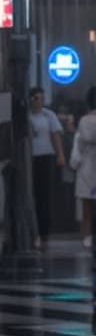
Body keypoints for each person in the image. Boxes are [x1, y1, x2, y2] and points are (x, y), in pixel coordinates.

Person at [26, 86, 64, 244]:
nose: (38, 102)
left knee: (44, 196)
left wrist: (60, 154)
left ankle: (44, 233)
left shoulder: (48, 115)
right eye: (35, 98)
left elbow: (55, 135)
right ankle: (30, 232)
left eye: (40, 98)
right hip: (29, 158)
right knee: (29, 196)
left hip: (45, 157)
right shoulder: (25, 116)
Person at [72, 100, 96, 244]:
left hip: (86, 168)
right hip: (88, 166)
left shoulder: (84, 121)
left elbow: (79, 145)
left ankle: (87, 236)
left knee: (86, 207)